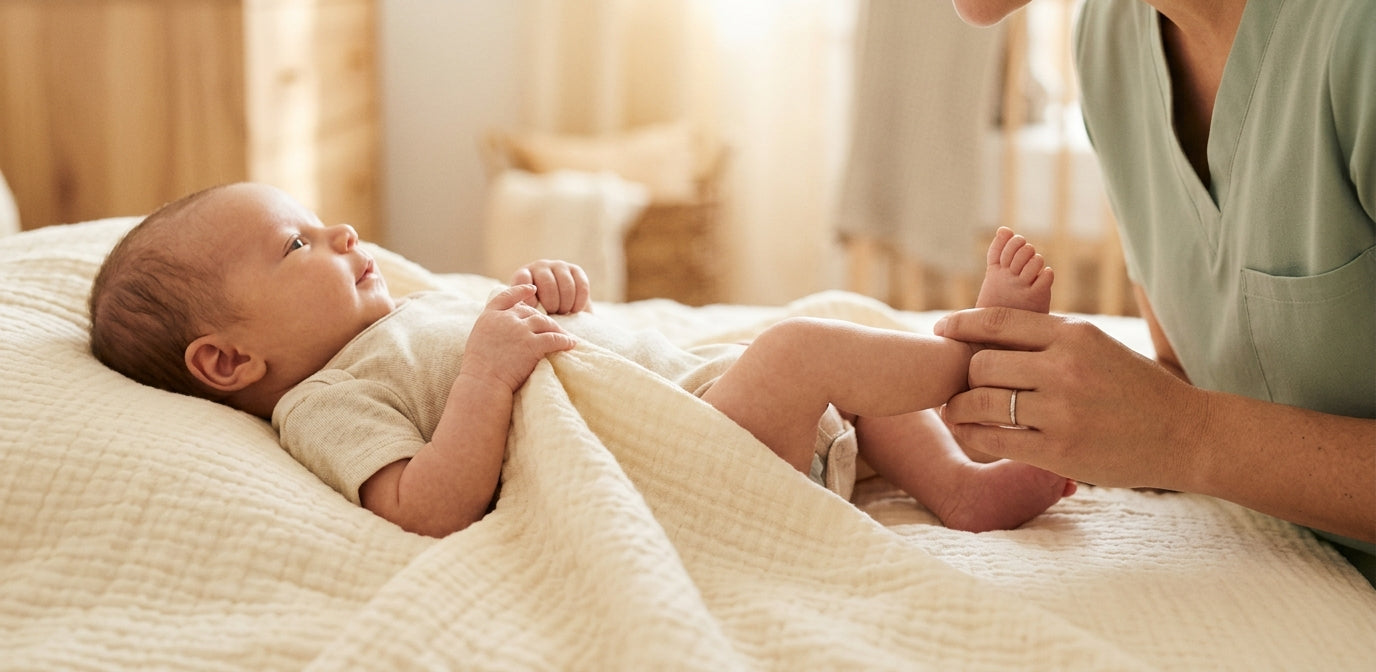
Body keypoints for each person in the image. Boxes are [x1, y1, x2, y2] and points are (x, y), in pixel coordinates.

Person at [842, 0, 1376, 579]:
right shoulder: (1112, 38)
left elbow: (1198, 424)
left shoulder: (1362, 5)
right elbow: (1196, 379)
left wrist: (1187, 437)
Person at [88, 182, 1074, 537]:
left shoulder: (418, 311)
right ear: (225, 361)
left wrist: (555, 307)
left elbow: (579, 359)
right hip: (692, 471)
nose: (341, 230)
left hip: (704, 414)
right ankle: (980, 357)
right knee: (799, 349)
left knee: (812, 343)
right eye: (296, 244)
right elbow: (426, 505)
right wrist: (484, 373)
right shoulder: (327, 401)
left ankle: (957, 488)